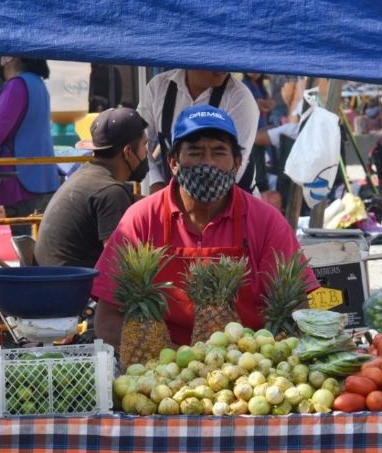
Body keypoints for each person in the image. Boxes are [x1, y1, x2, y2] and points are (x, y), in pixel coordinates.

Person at [92, 105, 318, 347]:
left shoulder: (266, 221)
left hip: (249, 364)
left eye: (219, 152)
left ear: (237, 163)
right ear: (173, 162)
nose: (207, 163)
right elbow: (107, 320)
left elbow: (297, 310)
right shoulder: (141, 219)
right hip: (160, 367)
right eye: (195, 152)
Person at [35, 108, 148, 268]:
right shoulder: (110, 191)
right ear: (128, 152)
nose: (146, 153)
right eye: (144, 145)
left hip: (52, 281)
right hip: (73, 288)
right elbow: (121, 266)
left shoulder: (87, 175)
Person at [138, 69, 259, 194]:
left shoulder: (240, 97)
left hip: (233, 202)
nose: (223, 67)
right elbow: (138, 144)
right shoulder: (159, 87)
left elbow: (236, 170)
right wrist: (155, 183)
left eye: (217, 152)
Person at [0, 56, 60, 236]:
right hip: (41, 177)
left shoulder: (16, 86)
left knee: (24, 246)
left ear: (8, 59)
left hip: (21, 183)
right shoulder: (37, 83)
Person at [241, 72, 281, 208]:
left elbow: (270, 104)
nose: (255, 73)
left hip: (262, 130)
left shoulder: (261, 86)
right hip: (252, 133)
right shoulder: (244, 86)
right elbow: (260, 104)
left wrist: (264, 104)